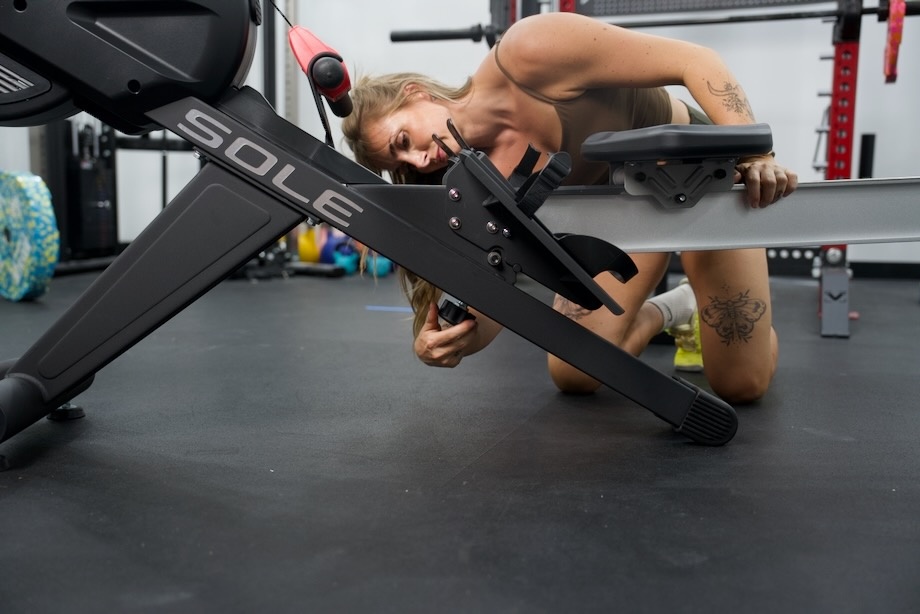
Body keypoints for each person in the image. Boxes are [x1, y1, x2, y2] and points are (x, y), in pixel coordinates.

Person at [341, 11, 798, 404]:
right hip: (614, 214)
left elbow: (695, 61)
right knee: (574, 374)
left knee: (741, 384)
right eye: (400, 163)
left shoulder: (531, 52)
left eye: (403, 141)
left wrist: (756, 154)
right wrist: (445, 342)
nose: (419, 160)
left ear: (415, 92)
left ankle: (726, 319)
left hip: (698, 176)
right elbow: (495, 294)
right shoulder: (480, 183)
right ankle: (676, 309)